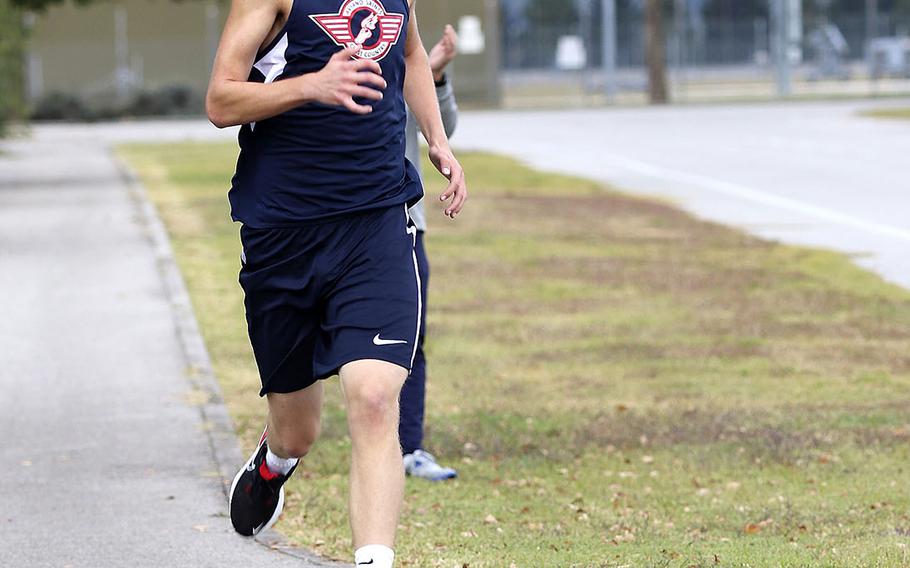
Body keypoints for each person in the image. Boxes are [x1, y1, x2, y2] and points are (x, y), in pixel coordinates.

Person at [205, 0, 468, 565]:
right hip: (283, 233)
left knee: (375, 400)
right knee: (298, 431)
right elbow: (221, 100)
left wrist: (437, 139)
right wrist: (311, 86)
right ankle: (274, 462)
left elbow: (414, 56)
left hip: (376, 223)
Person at [400, 24, 459, 482]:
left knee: (411, 340)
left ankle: (408, 448)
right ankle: (287, 440)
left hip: (404, 223)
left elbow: (443, 132)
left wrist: (433, 76)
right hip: (330, 218)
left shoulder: (402, 37)